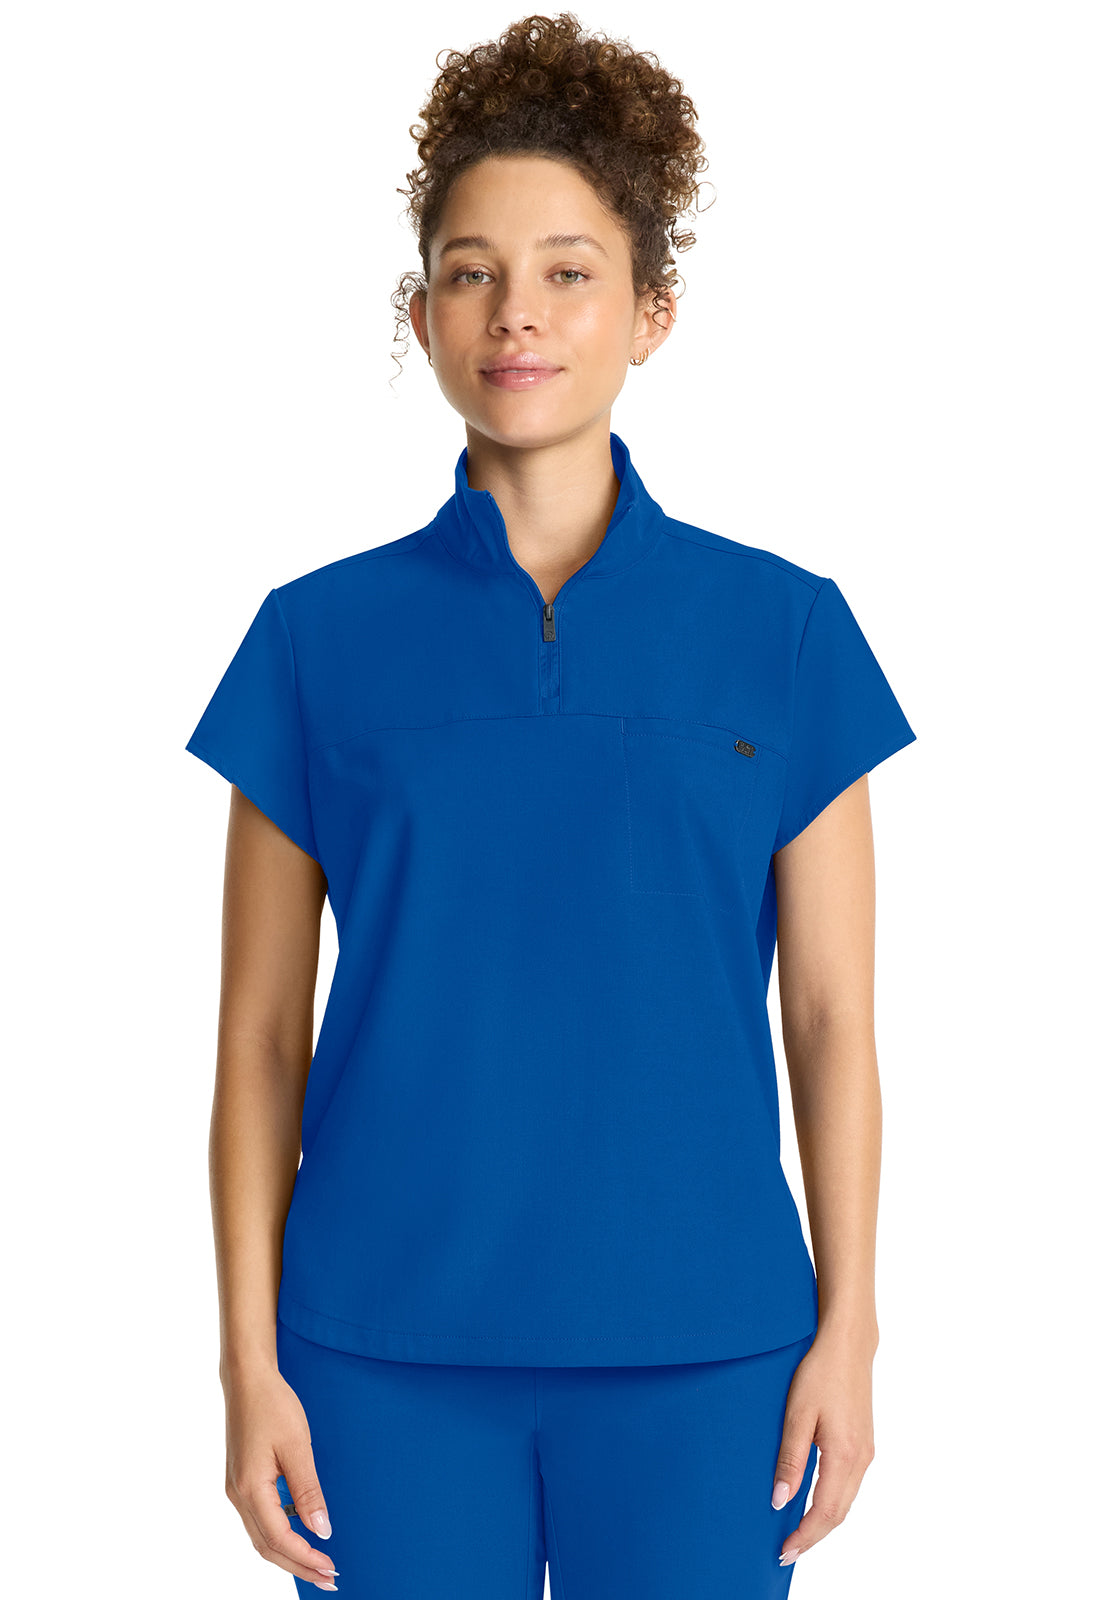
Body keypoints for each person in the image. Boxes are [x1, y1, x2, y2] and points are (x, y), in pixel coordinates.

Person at [184, 13, 917, 1598]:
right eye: (471, 271)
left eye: (569, 271)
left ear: (652, 311)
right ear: (423, 311)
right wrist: (247, 1363)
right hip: (374, 1351)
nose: (516, 311)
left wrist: (851, 1328)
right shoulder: (312, 640)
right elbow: (257, 1037)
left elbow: (833, 1018)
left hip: (709, 1351)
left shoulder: (786, 633)